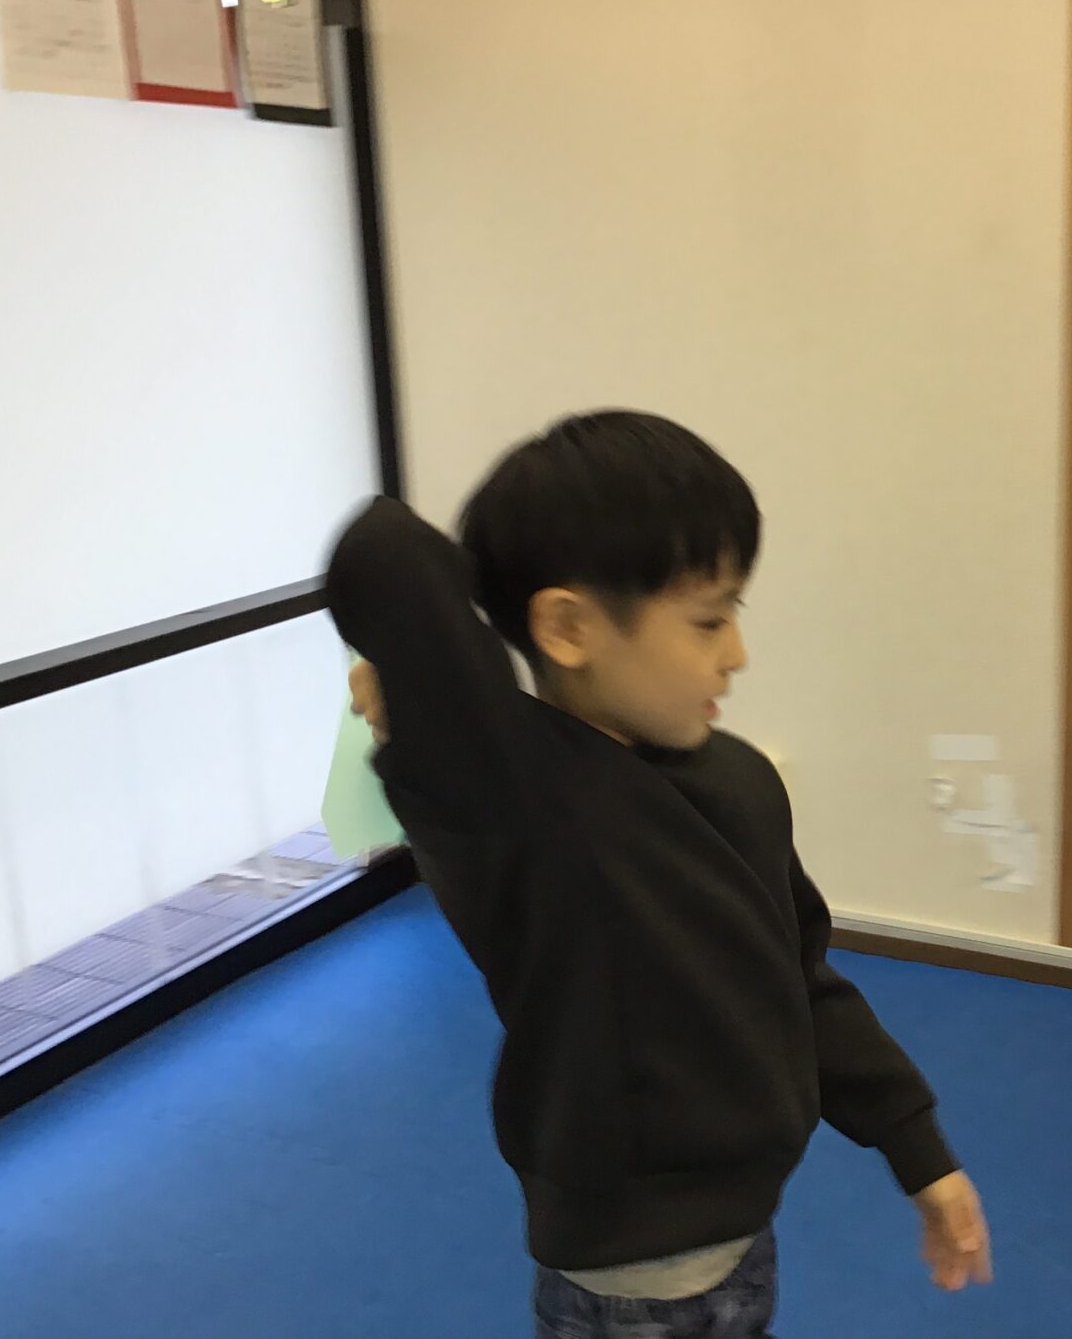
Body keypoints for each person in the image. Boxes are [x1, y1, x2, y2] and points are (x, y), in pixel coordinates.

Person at [324, 410, 992, 1338]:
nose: (737, 653)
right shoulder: (521, 805)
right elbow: (382, 554)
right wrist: (440, 649)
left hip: (744, 1233)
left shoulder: (739, 782)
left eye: (735, 614)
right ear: (567, 626)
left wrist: (919, 1150)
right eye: (708, 620)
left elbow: (803, 981)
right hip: (627, 1281)